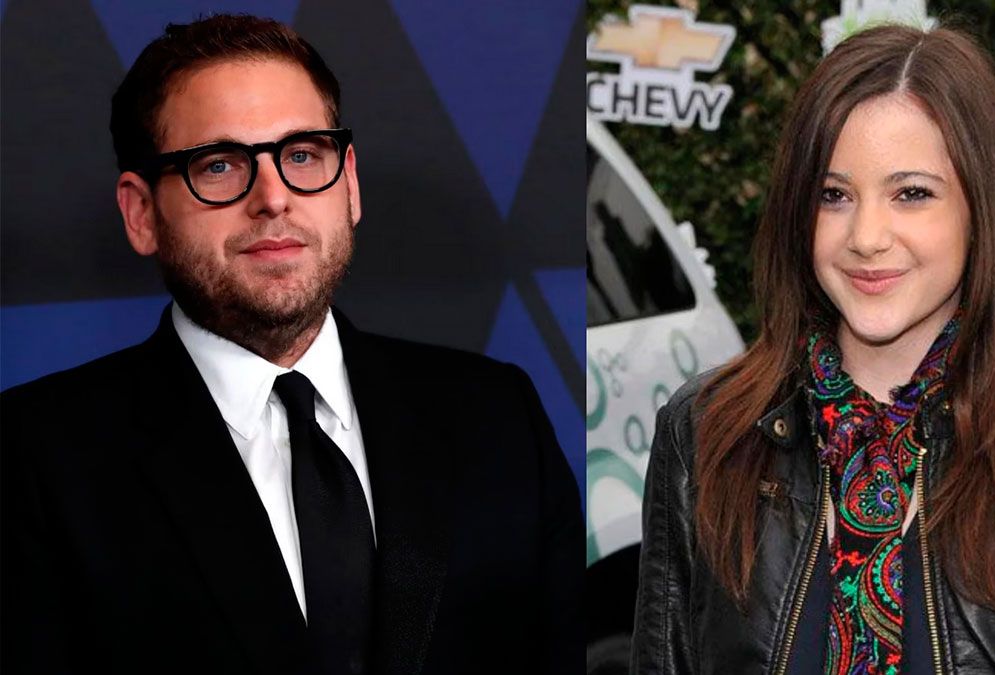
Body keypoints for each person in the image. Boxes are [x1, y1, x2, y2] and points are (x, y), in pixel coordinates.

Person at [0, 15, 581, 675]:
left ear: (350, 184)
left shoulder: (499, 415)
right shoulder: (34, 459)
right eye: (219, 165)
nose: (273, 198)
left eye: (302, 155)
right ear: (141, 213)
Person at [630, 24, 995, 675]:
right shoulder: (707, 432)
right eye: (834, 195)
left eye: (911, 194)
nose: (867, 236)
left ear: (979, 211)